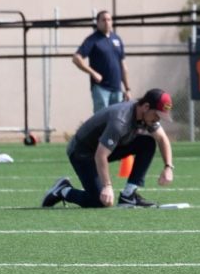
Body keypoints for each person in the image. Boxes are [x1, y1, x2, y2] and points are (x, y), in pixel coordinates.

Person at [41, 88, 174, 209]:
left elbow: (162, 139)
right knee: (100, 202)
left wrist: (168, 167)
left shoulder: (145, 116)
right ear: (146, 107)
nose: (158, 120)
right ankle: (63, 190)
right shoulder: (120, 121)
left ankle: (128, 196)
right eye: (157, 115)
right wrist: (107, 186)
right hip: (82, 153)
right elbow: (101, 155)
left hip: (103, 148)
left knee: (147, 143)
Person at [72, 10, 130, 112]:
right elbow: (76, 58)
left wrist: (127, 88)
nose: (106, 22)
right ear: (98, 23)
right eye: (103, 20)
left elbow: (123, 66)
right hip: (101, 88)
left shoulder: (117, 39)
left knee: (116, 120)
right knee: (101, 120)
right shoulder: (92, 39)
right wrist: (93, 73)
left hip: (117, 89)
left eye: (109, 19)